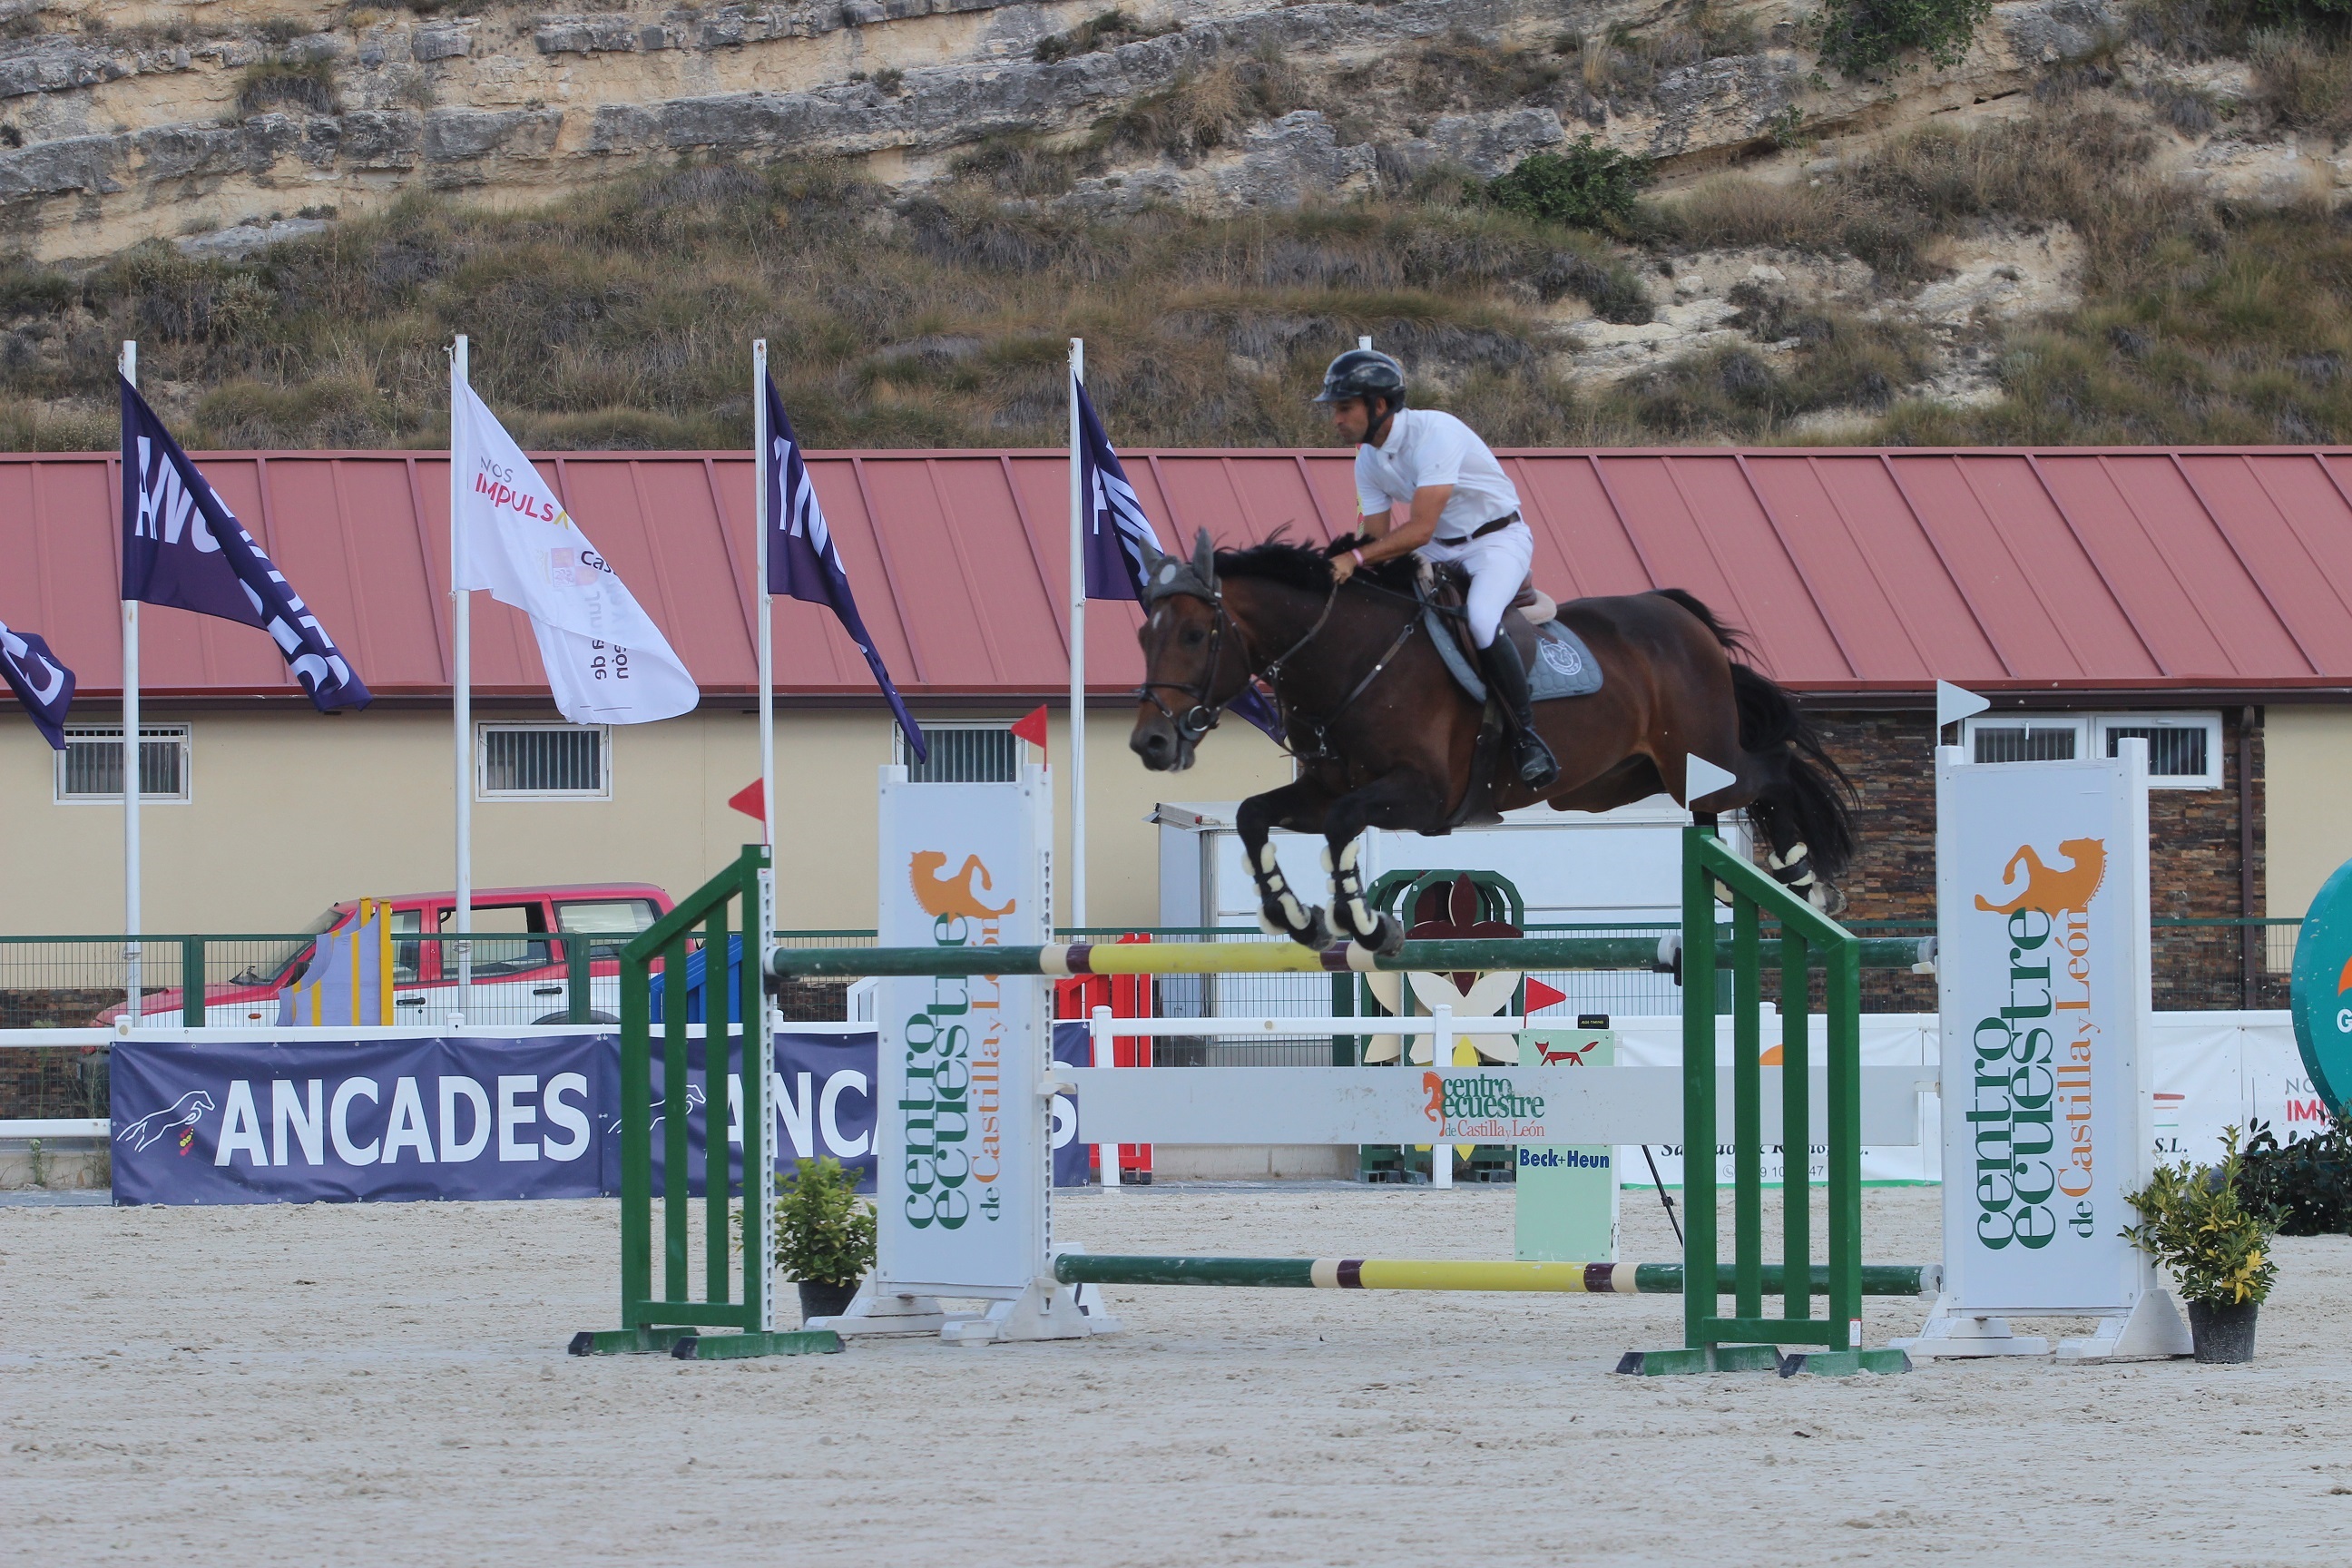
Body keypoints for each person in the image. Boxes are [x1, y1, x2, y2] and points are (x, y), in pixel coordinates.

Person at [1317, 348, 1559, 789]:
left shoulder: (1437, 433)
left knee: (1482, 620)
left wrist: (1352, 560)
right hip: (1441, 549)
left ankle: (1527, 737)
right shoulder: (1368, 458)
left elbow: (1420, 527)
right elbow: (1375, 540)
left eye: (1344, 407)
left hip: (1496, 541)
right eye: (1334, 409)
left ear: (1380, 405)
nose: (1336, 419)